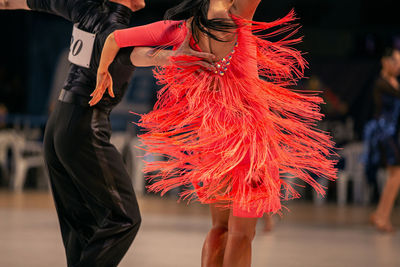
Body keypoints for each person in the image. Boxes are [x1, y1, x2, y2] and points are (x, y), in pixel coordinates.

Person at [91, 0, 337, 266]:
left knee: (219, 228)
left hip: (212, 145)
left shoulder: (180, 28)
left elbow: (115, 38)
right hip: (249, 144)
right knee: (242, 234)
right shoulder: (238, 17)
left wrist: (103, 72)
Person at [0, 0, 215, 266]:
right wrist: (172, 56)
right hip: (83, 127)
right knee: (125, 219)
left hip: (57, 126)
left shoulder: (81, 9)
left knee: (82, 226)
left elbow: (17, 1)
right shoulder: (113, 28)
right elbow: (139, 52)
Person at [366, 48, 400, 233]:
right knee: (396, 174)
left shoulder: (394, 82)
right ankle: (382, 216)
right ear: (385, 61)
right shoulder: (381, 82)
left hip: (393, 132)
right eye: (394, 61)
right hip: (384, 132)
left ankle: (380, 214)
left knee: (394, 176)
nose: (397, 66)